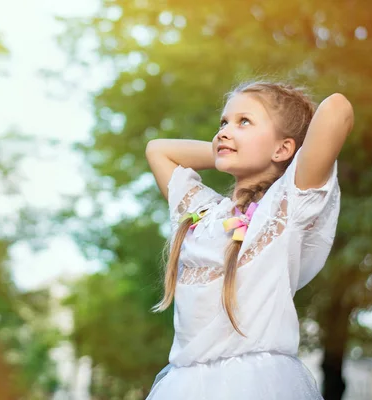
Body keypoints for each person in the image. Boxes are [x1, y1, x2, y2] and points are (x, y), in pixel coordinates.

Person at [144, 81, 354, 399]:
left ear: (283, 149)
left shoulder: (283, 208)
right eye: (223, 123)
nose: (225, 131)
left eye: (244, 121)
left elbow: (337, 109)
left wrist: (287, 155)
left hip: (256, 384)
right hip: (184, 386)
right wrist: (226, 149)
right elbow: (157, 150)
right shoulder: (204, 214)